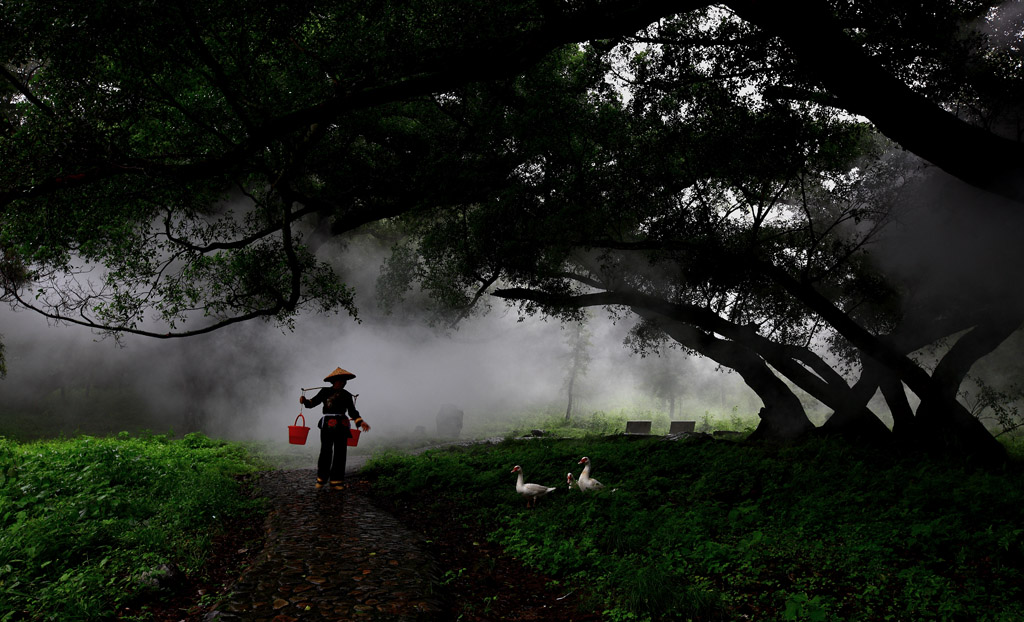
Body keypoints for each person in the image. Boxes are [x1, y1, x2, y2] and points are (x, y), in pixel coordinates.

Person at [299, 367, 371, 490]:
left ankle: (337, 481)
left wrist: (360, 421)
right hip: (327, 425)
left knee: (341, 452)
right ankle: (321, 479)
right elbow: (312, 403)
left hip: (342, 426)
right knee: (326, 451)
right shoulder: (324, 392)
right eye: (341, 380)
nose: (344, 383)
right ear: (335, 381)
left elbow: (352, 411)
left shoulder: (347, 395)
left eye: (345, 381)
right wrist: (304, 401)